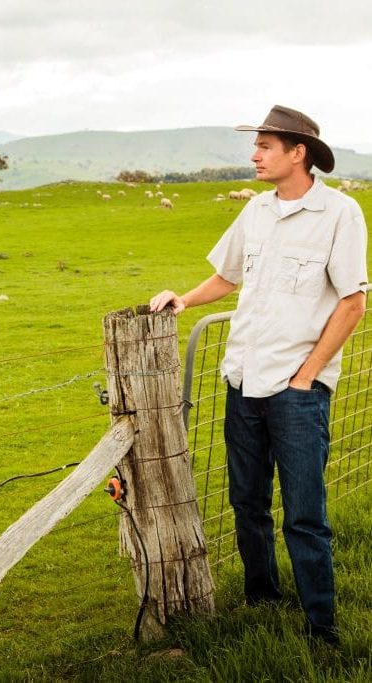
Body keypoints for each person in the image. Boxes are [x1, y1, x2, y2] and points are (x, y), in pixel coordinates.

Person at [150, 104, 368, 645]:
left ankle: (322, 626)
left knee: (304, 515)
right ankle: (262, 597)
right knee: (247, 501)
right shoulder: (256, 212)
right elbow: (226, 276)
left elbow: (353, 302)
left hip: (296, 389)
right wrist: (184, 298)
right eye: (257, 145)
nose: (254, 154)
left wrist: (307, 376)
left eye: (265, 146)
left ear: (299, 153)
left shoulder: (340, 213)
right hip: (242, 379)